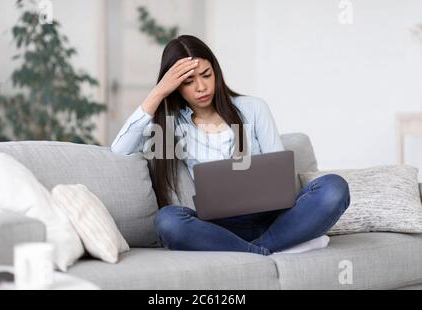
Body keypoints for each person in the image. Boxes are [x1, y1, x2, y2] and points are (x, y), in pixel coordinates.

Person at [111, 35, 350, 255]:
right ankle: (273, 248)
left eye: (206, 75)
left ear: (216, 72)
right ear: (175, 87)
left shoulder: (253, 108)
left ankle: (255, 250)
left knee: (334, 188)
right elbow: (120, 149)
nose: (201, 87)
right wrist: (158, 92)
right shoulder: (172, 126)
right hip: (219, 229)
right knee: (167, 221)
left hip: (274, 218)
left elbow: (279, 176)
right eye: (188, 81)